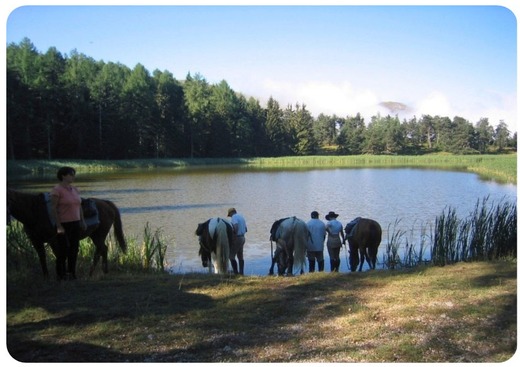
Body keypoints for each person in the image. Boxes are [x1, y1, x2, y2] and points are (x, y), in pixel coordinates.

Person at [50, 166, 87, 280]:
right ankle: (60, 274)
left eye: (73, 174)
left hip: (75, 223)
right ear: (63, 176)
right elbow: (53, 209)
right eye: (71, 174)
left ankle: (72, 272)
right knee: (63, 249)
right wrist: (59, 226)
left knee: (75, 248)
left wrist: (82, 220)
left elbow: (79, 205)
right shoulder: (57, 190)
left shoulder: (74, 189)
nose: (73, 177)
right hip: (64, 224)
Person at [227, 208, 247, 275]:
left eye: (230, 215)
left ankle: (236, 272)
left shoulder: (234, 217)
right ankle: (241, 272)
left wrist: (234, 236)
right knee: (240, 256)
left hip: (237, 238)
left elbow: (236, 227)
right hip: (243, 238)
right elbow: (246, 229)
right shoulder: (241, 217)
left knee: (231, 256)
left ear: (232, 213)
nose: (230, 216)